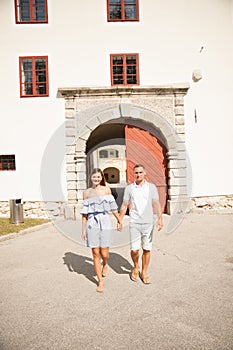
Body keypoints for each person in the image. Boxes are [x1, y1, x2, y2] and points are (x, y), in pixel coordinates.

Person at [119, 164, 163, 284]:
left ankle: (144, 272)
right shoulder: (129, 188)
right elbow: (124, 205)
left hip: (148, 223)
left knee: (147, 249)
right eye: (136, 172)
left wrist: (160, 219)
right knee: (134, 250)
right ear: (134, 174)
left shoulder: (151, 187)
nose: (138, 174)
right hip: (134, 223)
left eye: (140, 172)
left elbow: (156, 203)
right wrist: (120, 219)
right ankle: (136, 266)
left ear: (145, 173)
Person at [81, 168, 122, 293]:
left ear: (102, 177)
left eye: (99, 177)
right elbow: (84, 214)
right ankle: (100, 281)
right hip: (92, 223)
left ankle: (105, 263)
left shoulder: (106, 190)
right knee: (95, 253)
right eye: (94, 177)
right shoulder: (86, 193)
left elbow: (113, 207)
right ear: (91, 178)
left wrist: (119, 220)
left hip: (105, 221)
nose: (96, 179)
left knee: (104, 254)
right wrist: (83, 230)